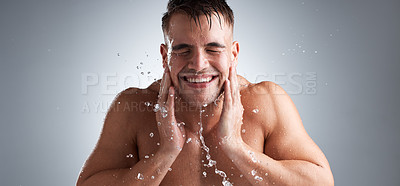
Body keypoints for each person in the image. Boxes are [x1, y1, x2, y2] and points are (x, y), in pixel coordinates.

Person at [77, 0, 334, 185]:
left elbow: (320, 183)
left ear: (233, 54)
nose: (199, 64)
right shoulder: (134, 107)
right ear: (165, 56)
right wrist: (166, 152)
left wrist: (235, 147)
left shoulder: (265, 102)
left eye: (213, 49)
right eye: (182, 50)